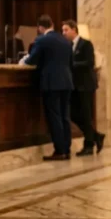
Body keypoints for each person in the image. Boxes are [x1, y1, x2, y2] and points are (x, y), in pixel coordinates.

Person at [23, 15, 74, 161]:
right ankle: (67, 149)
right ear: (52, 24)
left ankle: (59, 150)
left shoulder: (42, 40)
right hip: (66, 81)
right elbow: (71, 62)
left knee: (54, 116)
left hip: (52, 83)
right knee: (65, 116)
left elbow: (32, 60)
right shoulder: (65, 41)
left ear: (40, 27)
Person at [62, 20, 104, 156]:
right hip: (74, 85)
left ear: (74, 30)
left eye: (66, 30)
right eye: (63, 30)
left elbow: (90, 62)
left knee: (86, 115)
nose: (64, 33)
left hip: (85, 85)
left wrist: (72, 64)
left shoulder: (86, 44)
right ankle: (96, 135)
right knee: (72, 114)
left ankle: (89, 145)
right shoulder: (68, 45)